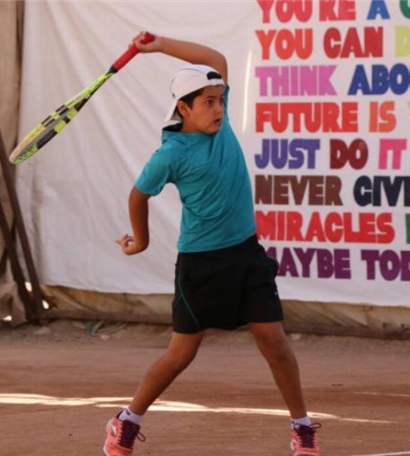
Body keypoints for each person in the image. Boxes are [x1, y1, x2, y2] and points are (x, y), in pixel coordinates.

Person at [102, 32, 322, 456]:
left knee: (273, 341)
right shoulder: (170, 153)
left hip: (245, 254)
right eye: (207, 102)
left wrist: (160, 44)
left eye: (220, 100)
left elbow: (216, 57)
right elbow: (138, 195)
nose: (218, 109)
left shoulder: (219, 131)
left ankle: (302, 427)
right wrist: (141, 242)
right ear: (183, 108)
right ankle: (126, 421)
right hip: (200, 264)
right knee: (181, 354)